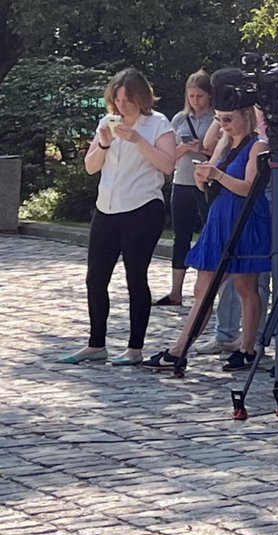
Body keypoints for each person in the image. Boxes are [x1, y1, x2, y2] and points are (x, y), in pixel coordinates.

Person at [144, 70, 271, 375]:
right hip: (220, 218)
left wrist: (216, 175)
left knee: (246, 287)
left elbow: (249, 187)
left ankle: (247, 347)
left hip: (244, 218)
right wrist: (205, 177)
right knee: (203, 289)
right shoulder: (225, 143)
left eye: (228, 118)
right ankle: (180, 348)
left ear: (244, 115)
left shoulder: (257, 146)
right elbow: (212, 176)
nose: (223, 124)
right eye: (220, 118)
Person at [60, 69, 176, 366]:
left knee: (136, 277)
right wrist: (104, 142)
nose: (122, 106)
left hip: (142, 206)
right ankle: (96, 343)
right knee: (95, 278)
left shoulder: (158, 123)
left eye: (128, 100)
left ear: (141, 98)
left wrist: (138, 139)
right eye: (117, 99)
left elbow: (167, 165)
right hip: (107, 207)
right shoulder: (106, 123)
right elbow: (90, 167)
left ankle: (135, 348)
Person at [158, 70, 214, 307]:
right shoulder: (180, 119)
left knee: (209, 232)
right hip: (182, 180)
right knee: (181, 236)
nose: (195, 101)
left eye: (200, 96)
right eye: (191, 96)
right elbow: (168, 152)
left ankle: (206, 286)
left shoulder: (216, 119)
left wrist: (202, 147)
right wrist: (182, 148)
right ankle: (175, 291)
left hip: (206, 182)